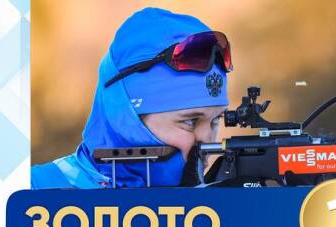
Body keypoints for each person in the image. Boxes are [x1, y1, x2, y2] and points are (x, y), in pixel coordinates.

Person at [31, 7, 233, 189]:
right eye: (190, 121)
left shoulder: (214, 207)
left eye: (216, 120)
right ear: (127, 120)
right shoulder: (27, 194)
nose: (208, 143)